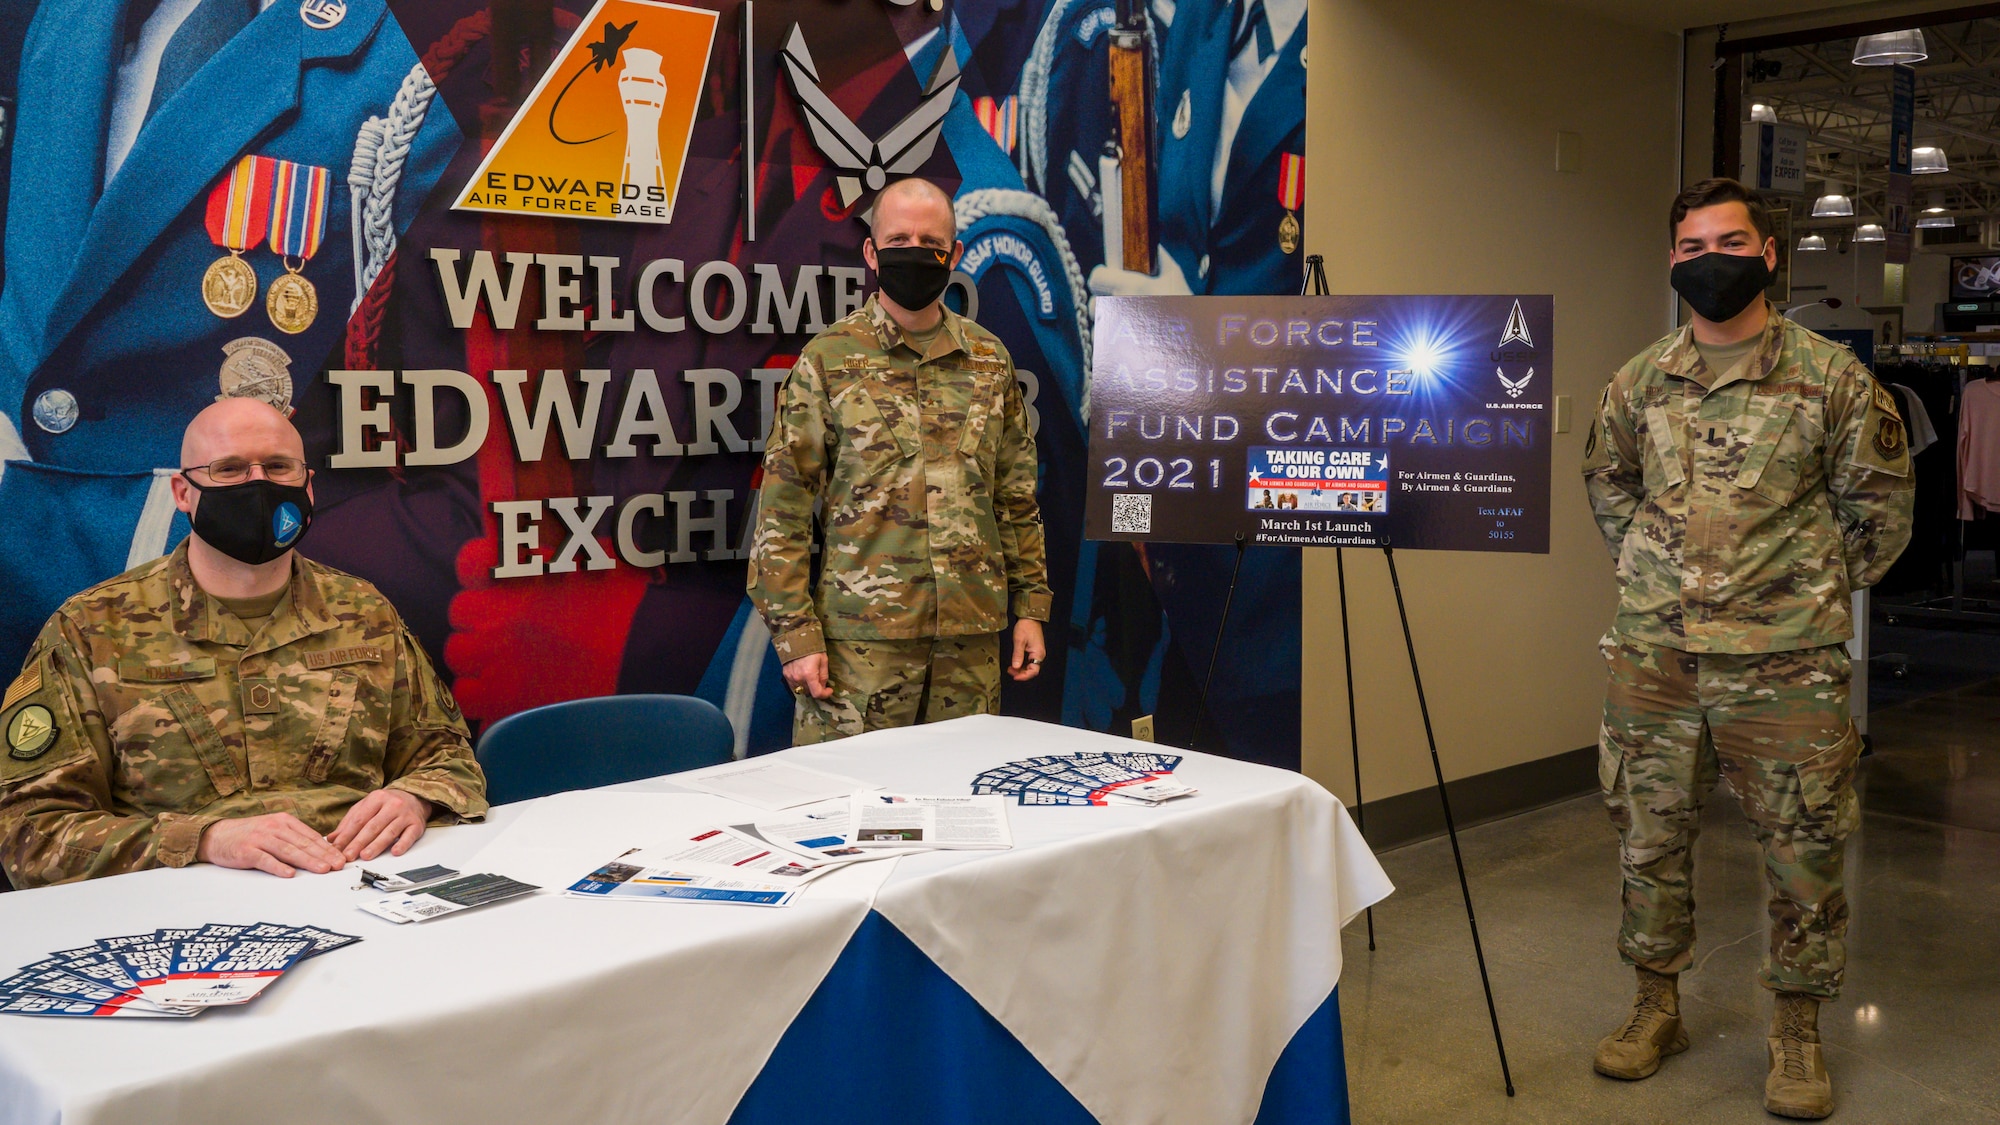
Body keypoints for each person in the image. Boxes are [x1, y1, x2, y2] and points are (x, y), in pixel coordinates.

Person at [1581, 178, 1913, 1120]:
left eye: (1728, 241)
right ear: (1673, 260)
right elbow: (1611, 488)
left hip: (1788, 664)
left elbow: (1880, 518)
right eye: (1690, 246)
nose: (1707, 259)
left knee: (1804, 845)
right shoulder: (1640, 379)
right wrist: (1662, 577)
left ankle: (1797, 1029)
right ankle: (1655, 1007)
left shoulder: (1832, 379)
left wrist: (1791, 591)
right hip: (1656, 654)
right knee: (1648, 838)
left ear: (1769, 254)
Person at [0, 400, 487, 888]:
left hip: (357, 883)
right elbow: (30, 832)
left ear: (308, 485)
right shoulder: (91, 630)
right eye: (229, 469)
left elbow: (447, 759)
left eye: (278, 467)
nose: (259, 484)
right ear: (183, 493)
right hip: (179, 902)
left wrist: (416, 797)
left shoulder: (362, 610)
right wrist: (205, 840)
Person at [749, 176, 1053, 744]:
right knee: (843, 812)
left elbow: (1015, 498)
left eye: (931, 242)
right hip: (860, 651)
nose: (915, 253)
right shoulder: (829, 361)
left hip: (970, 644)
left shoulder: (989, 361)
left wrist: (1030, 605)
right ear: (871, 251)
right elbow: (781, 513)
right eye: (899, 239)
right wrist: (796, 636)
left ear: (955, 254)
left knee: (963, 801)